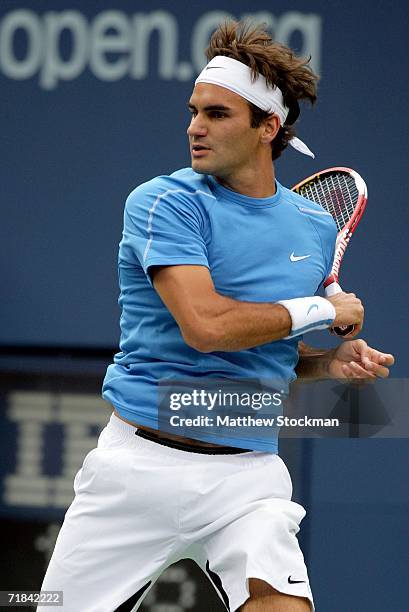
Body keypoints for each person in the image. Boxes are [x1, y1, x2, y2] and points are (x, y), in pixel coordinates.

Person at [38, 21, 394, 612]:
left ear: (268, 127)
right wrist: (318, 309)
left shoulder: (313, 225)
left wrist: (326, 362)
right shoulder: (163, 202)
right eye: (193, 110)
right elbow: (207, 328)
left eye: (218, 114)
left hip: (247, 479)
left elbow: (269, 352)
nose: (194, 127)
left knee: (279, 604)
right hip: (136, 469)